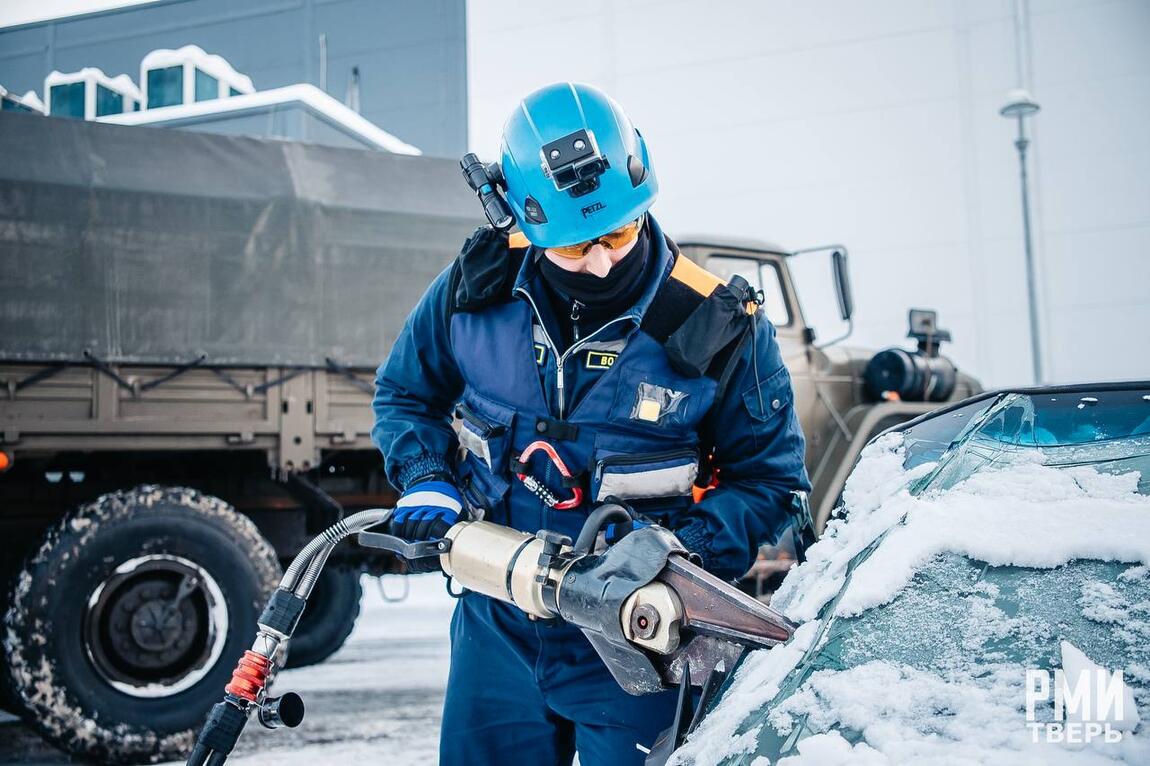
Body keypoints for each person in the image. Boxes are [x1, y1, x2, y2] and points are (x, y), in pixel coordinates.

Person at [371, 82, 810, 766]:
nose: (601, 261)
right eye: (574, 247)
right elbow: (404, 392)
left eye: (616, 232)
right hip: (499, 622)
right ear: (520, 217)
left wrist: (672, 551)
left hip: (642, 637)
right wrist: (425, 478)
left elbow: (770, 481)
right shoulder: (474, 291)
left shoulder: (714, 324)